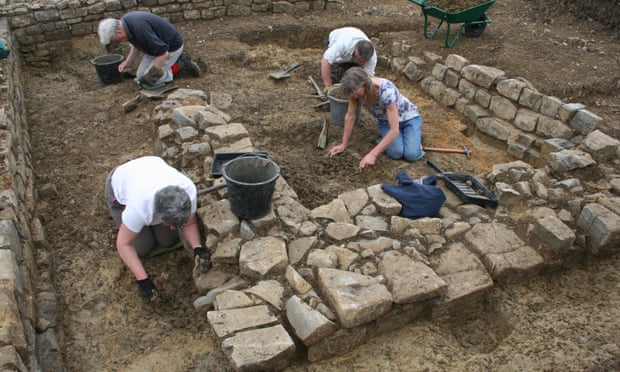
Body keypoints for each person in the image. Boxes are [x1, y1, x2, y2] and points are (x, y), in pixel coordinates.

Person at [104, 156, 210, 300]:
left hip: (151, 165)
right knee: (143, 248)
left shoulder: (188, 192)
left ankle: (151, 229)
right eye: (171, 223)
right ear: (158, 213)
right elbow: (123, 244)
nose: (173, 227)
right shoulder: (138, 208)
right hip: (120, 183)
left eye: (177, 224)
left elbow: (190, 223)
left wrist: (197, 247)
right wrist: (143, 280)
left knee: (167, 240)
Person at [329, 67, 425, 168]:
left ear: (364, 84)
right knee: (396, 153)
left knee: (411, 155)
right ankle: (403, 139)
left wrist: (372, 154)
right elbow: (350, 116)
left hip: (408, 118)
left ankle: (415, 142)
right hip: (386, 122)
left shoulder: (386, 91)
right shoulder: (355, 93)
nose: (356, 97)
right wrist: (343, 144)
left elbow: (394, 130)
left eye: (356, 93)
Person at [97, 11, 200, 90]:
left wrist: (153, 75)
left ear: (119, 33)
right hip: (154, 48)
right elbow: (136, 45)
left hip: (170, 47)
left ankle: (180, 64)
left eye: (116, 40)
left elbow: (163, 53)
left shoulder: (140, 29)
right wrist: (127, 62)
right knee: (140, 76)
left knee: (151, 82)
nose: (118, 43)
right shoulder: (125, 24)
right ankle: (169, 66)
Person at [321, 27, 377, 91]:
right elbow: (325, 60)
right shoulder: (342, 45)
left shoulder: (372, 57)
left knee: (354, 78)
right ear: (356, 52)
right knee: (336, 78)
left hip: (351, 54)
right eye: (361, 60)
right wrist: (328, 85)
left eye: (365, 61)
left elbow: (368, 76)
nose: (363, 62)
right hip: (335, 39)